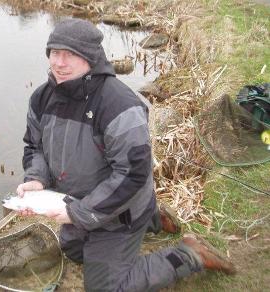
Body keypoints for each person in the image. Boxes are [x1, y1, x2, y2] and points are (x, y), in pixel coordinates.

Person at [16, 18, 236, 292]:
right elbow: (34, 146)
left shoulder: (118, 105)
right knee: (74, 250)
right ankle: (154, 217)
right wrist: (36, 178)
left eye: (70, 54)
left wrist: (78, 212)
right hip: (84, 200)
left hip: (121, 207)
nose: (59, 62)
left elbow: (132, 175)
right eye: (54, 53)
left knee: (105, 287)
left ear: (91, 58)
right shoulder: (41, 98)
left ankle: (190, 254)